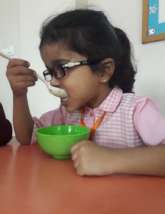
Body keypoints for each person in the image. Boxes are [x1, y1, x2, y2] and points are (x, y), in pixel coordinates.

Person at [6, 9, 165, 176]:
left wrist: (110, 159)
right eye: (51, 72)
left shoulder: (136, 110)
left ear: (103, 71)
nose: (52, 81)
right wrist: (19, 95)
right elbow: (26, 137)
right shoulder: (67, 115)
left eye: (62, 68)